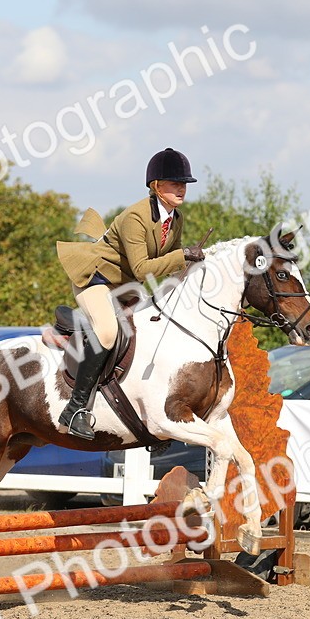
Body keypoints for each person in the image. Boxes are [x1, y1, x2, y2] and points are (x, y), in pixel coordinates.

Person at [54, 147, 205, 440]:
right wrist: (183, 255)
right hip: (96, 279)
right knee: (109, 332)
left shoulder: (176, 218)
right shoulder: (135, 217)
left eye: (184, 183)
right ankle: (74, 409)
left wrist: (194, 263)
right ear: (156, 186)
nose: (182, 188)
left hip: (123, 288)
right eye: (175, 183)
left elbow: (172, 257)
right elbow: (141, 268)